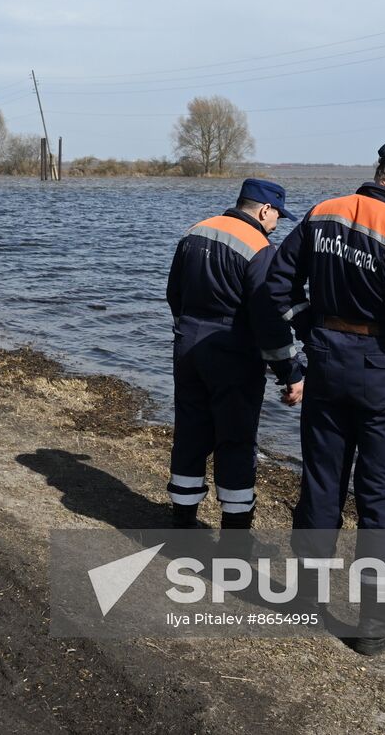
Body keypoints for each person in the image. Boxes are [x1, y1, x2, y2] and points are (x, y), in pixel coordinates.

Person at [264, 135, 385, 656]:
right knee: (382, 496)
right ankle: (373, 623)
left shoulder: (321, 212)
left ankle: (306, 600)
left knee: (322, 484)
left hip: (327, 365)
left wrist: (312, 327)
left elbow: (276, 287)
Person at [165, 178, 304, 537]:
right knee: (236, 439)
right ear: (264, 210)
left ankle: (182, 520)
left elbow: (173, 292)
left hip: (188, 344)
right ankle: (236, 533)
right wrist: (291, 372)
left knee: (191, 431)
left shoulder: (196, 230)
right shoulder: (260, 248)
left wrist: (186, 328)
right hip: (233, 351)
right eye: (277, 217)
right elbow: (268, 319)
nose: (276, 224)